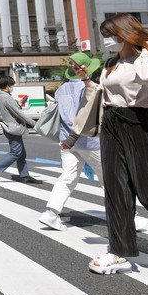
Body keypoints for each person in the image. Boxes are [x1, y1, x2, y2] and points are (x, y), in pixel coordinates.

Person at [65, 13, 148, 277]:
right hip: (112, 124)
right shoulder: (112, 62)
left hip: (140, 125)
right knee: (116, 189)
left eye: (110, 34)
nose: (106, 40)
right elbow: (104, 93)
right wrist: (86, 80)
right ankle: (119, 251)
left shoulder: (146, 59)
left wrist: (146, 46)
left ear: (125, 33)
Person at [39, 53, 102, 231]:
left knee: (67, 177)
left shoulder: (61, 90)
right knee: (108, 178)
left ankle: (51, 213)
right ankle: (129, 215)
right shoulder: (93, 88)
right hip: (91, 141)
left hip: (67, 140)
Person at [0, 76, 42, 184]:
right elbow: (19, 114)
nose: (12, 87)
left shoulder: (1, 97)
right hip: (13, 128)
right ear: (7, 86)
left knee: (21, 153)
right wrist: (34, 124)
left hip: (9, 127)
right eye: (11, 85)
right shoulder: (7, 98)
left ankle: (25, 175)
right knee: (16, 152)